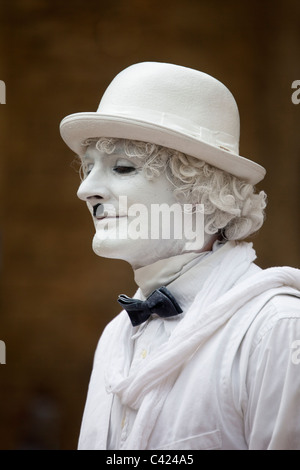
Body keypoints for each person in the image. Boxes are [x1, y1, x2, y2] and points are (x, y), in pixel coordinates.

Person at [60, 62, 300, 450]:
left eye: (122, 167)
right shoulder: (115, 337)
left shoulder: (277, 331)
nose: (86, 190)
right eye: (88, 168)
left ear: (200, 191)